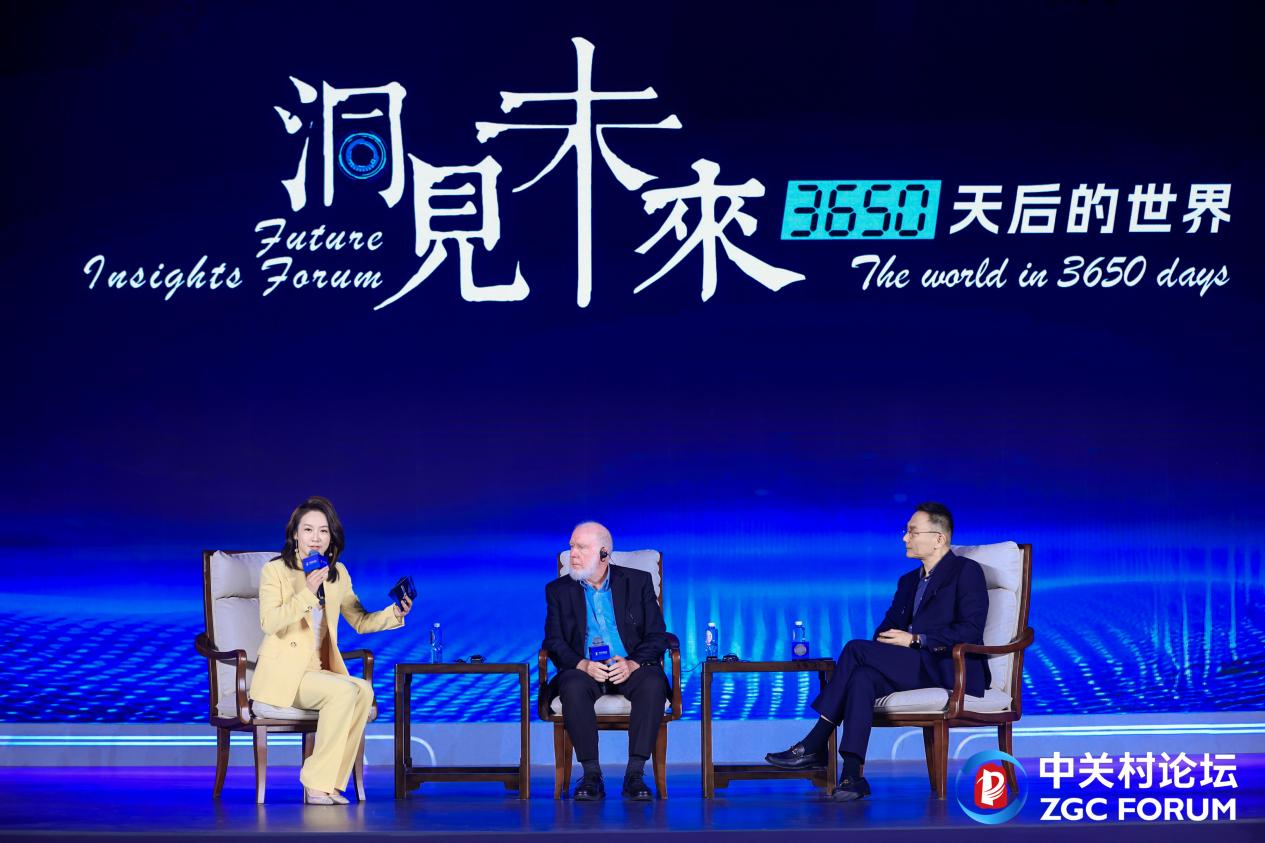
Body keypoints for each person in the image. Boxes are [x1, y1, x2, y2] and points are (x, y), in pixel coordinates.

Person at [765, 502, 990, 801]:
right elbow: (884, 631)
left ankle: (816, 741)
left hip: (949, 667)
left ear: (939, 538)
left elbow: (971, 630)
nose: (905, 538)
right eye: (905, 531)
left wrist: (916, 639)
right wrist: (891, 643)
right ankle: (852, 776)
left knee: (855, 649)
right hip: (913, 666)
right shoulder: (908, 581)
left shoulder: (966, 571)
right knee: (862, 677)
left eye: (912, 532)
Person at [250, 496, 412, 805]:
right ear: (295, 534)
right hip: (285, 674)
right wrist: (308, 591)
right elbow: (270, 622)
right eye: (308, 530)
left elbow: (360, 621)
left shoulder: (338, 574)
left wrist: (395, 613)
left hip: (318, 672)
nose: (315, 538)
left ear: (331, 537)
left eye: (323, 531)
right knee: (343, 692)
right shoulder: (276, 571)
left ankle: (332, 784)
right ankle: (314, 784)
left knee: (363, 690)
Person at [543, 521, 670, 801]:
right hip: (584, 669)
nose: (572, 554)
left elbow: (657, 635)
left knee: (653, 682)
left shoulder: (637, 582)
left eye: (581, 547)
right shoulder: (558, 590)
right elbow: (554, 641)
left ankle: (635, 774)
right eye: (571, 546)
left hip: (629, 667)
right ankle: (591, 775)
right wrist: (583, 665)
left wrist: (632, 663)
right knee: (572, 685)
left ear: (603, 554)